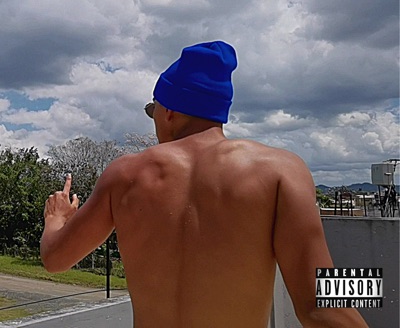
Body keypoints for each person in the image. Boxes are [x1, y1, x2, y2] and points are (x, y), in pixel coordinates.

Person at [41, 41, 367, 327]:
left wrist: (56, 219)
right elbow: (323, 308)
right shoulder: (280, 171)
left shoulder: (124, 175)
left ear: (169, 112)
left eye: (153, 110)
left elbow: (55, 259)